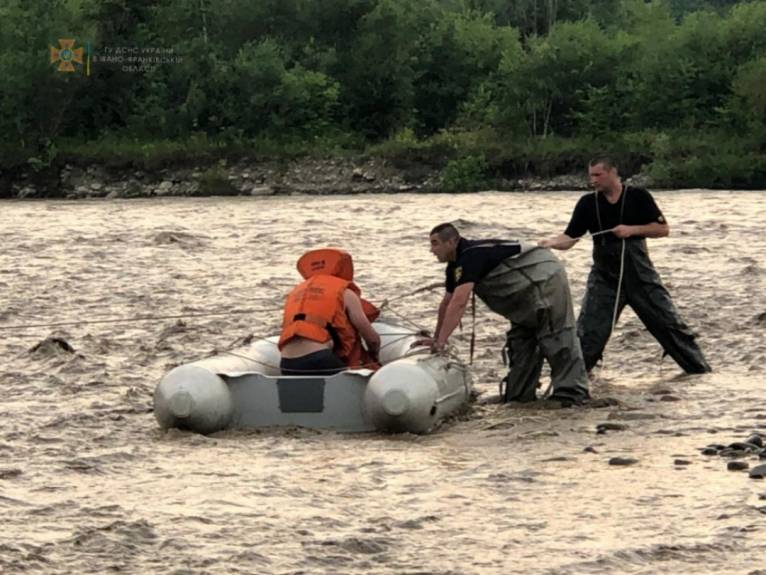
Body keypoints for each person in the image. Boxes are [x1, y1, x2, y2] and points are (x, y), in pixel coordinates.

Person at [539, 156, 711, 374]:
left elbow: (662, 230)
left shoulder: (638, 197)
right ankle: (572, 383)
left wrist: (632, 230)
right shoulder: (587, 203)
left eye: (597, 175)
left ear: (612, 173)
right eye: (590, 175)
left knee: (670, 326)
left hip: (641, 277)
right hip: (604, 279)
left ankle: (700, 373)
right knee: (588, 334)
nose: (593, 180)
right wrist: (550, 243)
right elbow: (570, 238)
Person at [420, 223, 590, 405]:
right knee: (521, 342)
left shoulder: (472, 256)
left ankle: (573, 396)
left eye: (435, 243)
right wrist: (436, 339)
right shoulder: (454, 266)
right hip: (523, 295)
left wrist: (442, 343)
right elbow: (447, 303)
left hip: (545, 280)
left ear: (452, 241)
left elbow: (459, 302)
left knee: (556, 337)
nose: (432, 250)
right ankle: (520, 397)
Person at [279, 248, 381, 376]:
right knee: (345, 393)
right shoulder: (345, 292)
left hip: (287, 363)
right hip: (320, 359)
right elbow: (372, 339)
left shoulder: (295, 292)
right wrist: (374, 356)